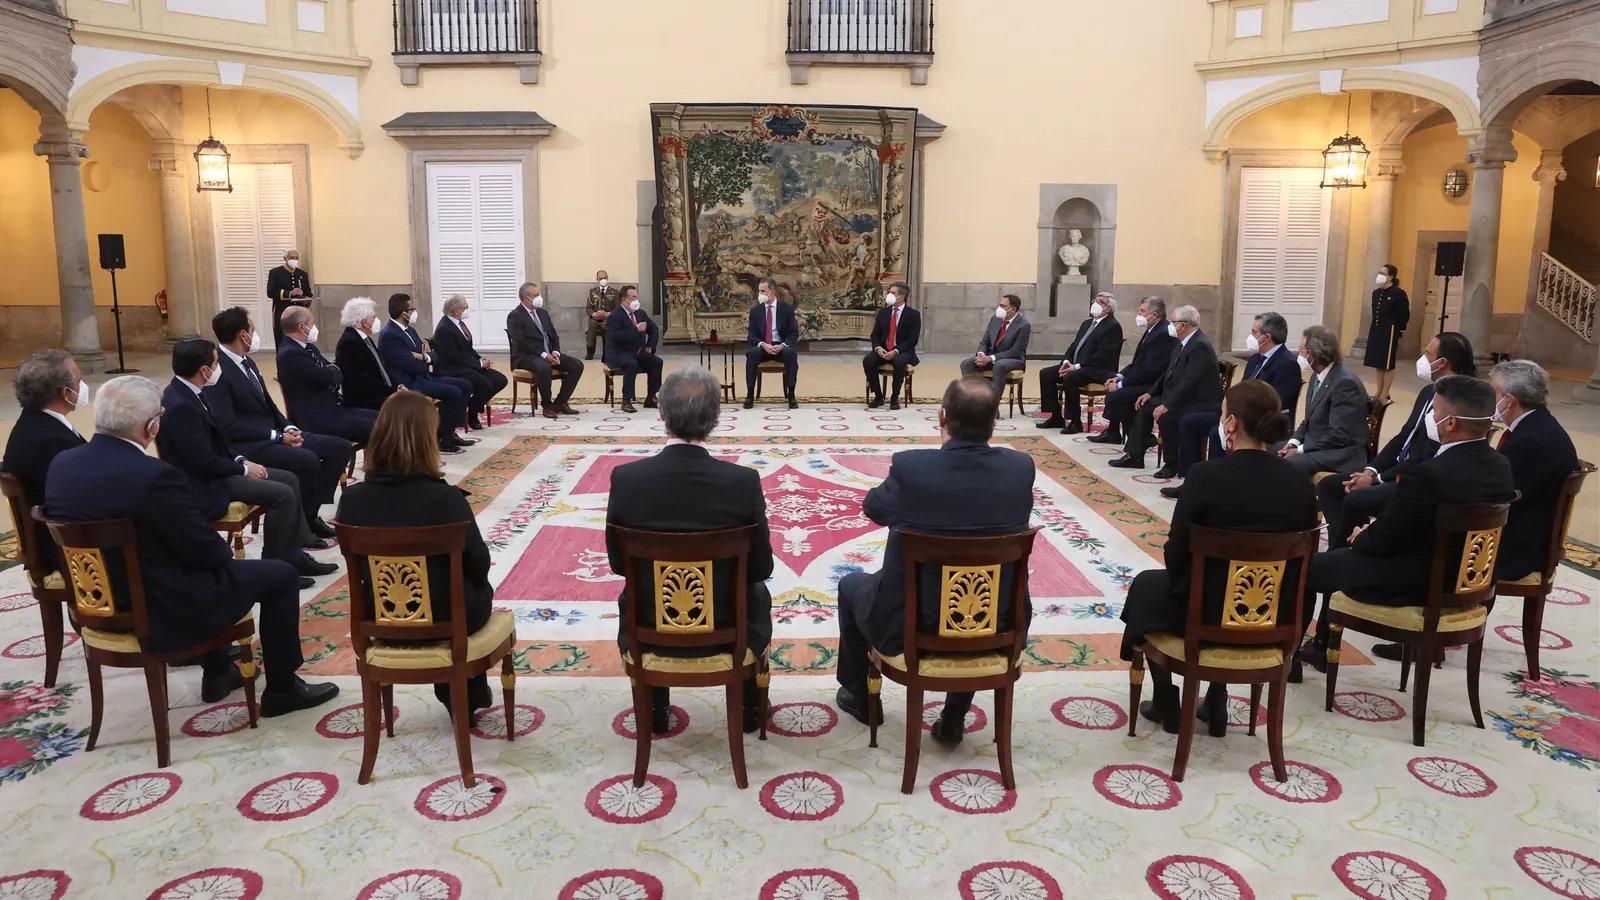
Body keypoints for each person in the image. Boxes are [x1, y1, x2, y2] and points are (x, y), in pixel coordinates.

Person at [45, 375, 340, 714]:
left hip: (94, 604)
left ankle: (219, 671)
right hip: (159, 609)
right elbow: (206, 551)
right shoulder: (155, 476)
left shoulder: (62, 463)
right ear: (152, 427)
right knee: (280, 576)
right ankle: (283, 690)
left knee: (178, 564)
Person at [835, 377, 1037, 744]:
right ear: (995, 422)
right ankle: (954, 716)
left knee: (851, 585)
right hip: (995, 623)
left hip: (909, 629)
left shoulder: (913, 469)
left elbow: (874, 508)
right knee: (976, 584)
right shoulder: (1020, 468)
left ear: (941, 417)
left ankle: (861, 699)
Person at [1120, 380, 1317, 734]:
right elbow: (1305, 563)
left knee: (1146, 587)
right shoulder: (1300, 481)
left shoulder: (1205, 476)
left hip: (1204, 614)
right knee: (1217, 580)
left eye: (1223, 413)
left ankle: (1166, 700)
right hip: (1275, 614)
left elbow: (1176, 556)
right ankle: (1216, 698)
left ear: (1232, 423)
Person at [1299, 375, 1516, 672]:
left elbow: (1385, 540)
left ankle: (1297, 656)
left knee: (1305, 567)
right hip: (1465, 582)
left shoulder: (1427, 475)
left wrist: (1361, 536)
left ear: (1451, 423)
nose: (1431, 418)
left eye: (1435, 411)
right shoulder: (1501, 466)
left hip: (1413, 583)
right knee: (1339, 556)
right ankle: (1320, 644)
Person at [605, 367, 773, 734]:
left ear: (661, 413)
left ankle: (655, 710)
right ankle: (748, 708)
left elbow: (618, 564)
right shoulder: (742, 482)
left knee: (642, 587)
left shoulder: (628, 479)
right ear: (717, 416)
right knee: (757, 592)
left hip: (649, 626)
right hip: (730, 629)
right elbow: (761, 568)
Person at [336, 391, 497, 718]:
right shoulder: (447, 499)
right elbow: (479, 564)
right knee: (473, 590)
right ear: (427, 440)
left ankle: (463, 692)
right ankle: (465, 689)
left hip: (380, 616)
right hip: (450, 618)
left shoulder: (351, 500)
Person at [159, 339, 336, 587]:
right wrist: (244, 469)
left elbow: (217, 443)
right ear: (204, 370)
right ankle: (276, 566)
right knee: (282, 494)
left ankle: (293, 555)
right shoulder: (180, 405)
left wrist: (241, 459)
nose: (219, 367)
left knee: (289, 478)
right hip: (204, 483)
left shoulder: (191, 391)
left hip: (218, 468)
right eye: (216, 362)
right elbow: (202, 462)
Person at [1317, 332, 1475, 550]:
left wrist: (1378, 479)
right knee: (1329, 486)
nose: (1422, 358)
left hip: (1415, 480)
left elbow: (1427, 455)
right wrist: (1371, 471)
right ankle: (1345, 546)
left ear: (1442, 363)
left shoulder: (1457, 402)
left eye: (1428, 354)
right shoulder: (1428, 391)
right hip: (1394, 471)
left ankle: (1354, 551)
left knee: (1356, 498)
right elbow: (1403, 436)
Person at [207, 307, 351, 538]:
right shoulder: (218, 370)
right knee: (307, 460)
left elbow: (269, 404)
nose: (255, 335)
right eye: (253, 329)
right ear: (243, 334)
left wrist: (288, 427)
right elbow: (228, 425)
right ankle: (304, 524)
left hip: (274, 434)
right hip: (249, 444)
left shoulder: (247, 362)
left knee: (339, 447)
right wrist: (277, 436)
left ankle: (309, 512)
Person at [1162, 311, 1302, 500]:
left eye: (1254, 332)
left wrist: (1233, 417)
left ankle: (1217, 485)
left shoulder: (1287, 363)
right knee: (1189, 422)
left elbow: (1274, 401)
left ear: (1267, 337)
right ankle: (1190, 480)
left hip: (1260, 420)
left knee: (1216, 432)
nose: (1251, 336)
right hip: (1237, 414)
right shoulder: (1256, 359)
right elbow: (1241, 389)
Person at [1491, 359, 1581, 581]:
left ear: (1509, 400)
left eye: (1493, 392)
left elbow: (1498, 498)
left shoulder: (1531, 441)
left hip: (1517, 550)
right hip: (1526, 531)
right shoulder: (1538, 424)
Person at [2, 350, 88, 572]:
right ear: (66, 393)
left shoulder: (33, 423)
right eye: (79, 380)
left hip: (51, 538)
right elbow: (86, 498)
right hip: (65, 551)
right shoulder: (52, 442)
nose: (83, 386)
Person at [1111, 305, 1220, 478]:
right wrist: (1150, 393)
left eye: (1172, 321)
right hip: (1181, 397)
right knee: (1145, 405)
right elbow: (1167, 373)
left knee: (1166, 415)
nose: (1170, 325)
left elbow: (1189, 382)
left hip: (1198, 402)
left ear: (1183, 325)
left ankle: (1171, 464)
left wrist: (1166, 405)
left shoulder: (1200, 346)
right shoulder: (1182, 342)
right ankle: (1135, 455)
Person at [379, 294, 477, 455]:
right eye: (412, 309)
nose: (414, 312)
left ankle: (449, 431)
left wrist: (423, 357)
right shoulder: (390, 334)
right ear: (404, 314)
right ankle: (442, 438)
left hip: (423, 375)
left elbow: (434, 355)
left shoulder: (410, 330)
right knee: (453, 392)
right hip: (410, 381)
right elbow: (409, 364)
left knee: (465, 385)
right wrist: (424, 360)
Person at [277, 306, 379, 445]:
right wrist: (332, 371)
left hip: (336, 408)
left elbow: (334, 370)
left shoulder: (308, 347)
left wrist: (332, 371)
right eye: (312, 323)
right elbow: (329, 377)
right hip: (320, 418)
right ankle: (383, 458)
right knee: (381, 429)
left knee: (385, 418)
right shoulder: (290, 354)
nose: (314, 327)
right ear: (301, 327)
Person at [1280, 325, 1369, 478]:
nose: (1299, 354)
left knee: (1288, 464)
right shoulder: (1317, 375)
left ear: (1314, 354)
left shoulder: (1345, 383)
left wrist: (1300, 450)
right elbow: (1308, 421)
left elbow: (1339, 434)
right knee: (1269, 450)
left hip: (1339, 454)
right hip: (1318, 445)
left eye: (1302, 350)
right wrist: (1293, 443)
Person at [1089, 297, 1179, 447]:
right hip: (1144, 379)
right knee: (1117, 394)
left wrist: (1121, 385)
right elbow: (1137, 363)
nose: (1139, 314)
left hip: (1154, 384)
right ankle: (1133, 437)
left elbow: (1150, 370)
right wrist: (1119, 377)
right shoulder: (1152, 330)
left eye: (1142, 311)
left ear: (1154, 315)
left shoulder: (1162, 334)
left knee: (1116, 397)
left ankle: (1140, 438)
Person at [1036, 292, 1124, 433]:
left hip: (1098, 369)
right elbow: (1074, 345)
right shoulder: (1087, 323)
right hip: (1078, 366)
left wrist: (1076, 367)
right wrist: (1066, 361)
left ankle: (1075, 421)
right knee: (1046, 374)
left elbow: (1103, 355)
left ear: (1108, 308)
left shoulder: (1112, 326)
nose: (1095, 304)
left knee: (1070, 377)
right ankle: (1056, 416)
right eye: (1095, 300)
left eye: (1100, 302)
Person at [507, 282, 584, 419]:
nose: (539, 298)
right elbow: (521, 343)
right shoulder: (515, 316)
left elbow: (553, 335)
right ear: (526, 298)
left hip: (549, 353)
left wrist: (555, 352)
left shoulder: (542, 313)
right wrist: (543, 355)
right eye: (536, 295)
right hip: (527, 356)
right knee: (544, 368)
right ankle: (547, 406)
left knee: (577, 365)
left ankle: (560, 402)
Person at [432, 294, 508, 430]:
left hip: (467, 365)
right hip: (453, 368)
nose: (468, 309)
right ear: (457, 311)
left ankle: (472, 407)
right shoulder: (444, 328)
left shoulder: (458, 323)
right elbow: (454, 357)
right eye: (465, 307)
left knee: (500, 380)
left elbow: (467, 348)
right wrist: (479, 365)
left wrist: (480, 359)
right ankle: (472, 414)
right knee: (485, 384)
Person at [334, 297, 401, 413]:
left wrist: (397, 387)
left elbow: (380, 369)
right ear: (365, 322)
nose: (376, 320)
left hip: (379, 393)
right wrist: (393, 391)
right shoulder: (350, 342)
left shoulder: (363, 338)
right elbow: (362, 382)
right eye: (374, 317)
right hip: (366, 401)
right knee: (410, 408)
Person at [603, 285, 664, 414]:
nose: (636, 300)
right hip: (617, 353)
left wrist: (650, 346)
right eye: (633, 298)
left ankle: (651, 397)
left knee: (656, 362)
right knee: (631, 364)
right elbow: (616, 337)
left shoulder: (640, 313)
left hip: (636, 352)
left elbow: (653, 329)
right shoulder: (615, 315)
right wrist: (636, 330)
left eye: (637, 297)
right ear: (624, 300)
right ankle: (626, 401)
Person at [959, 293, 1031, 398]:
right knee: (966, 364)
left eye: (1003, 306)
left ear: (1013, 309)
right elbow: (985, 342)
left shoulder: (1024, 325)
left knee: (999, 365)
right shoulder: (995, 319)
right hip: (990, 356)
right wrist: (981, 354)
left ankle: (994, 402)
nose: (999, 308)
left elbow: (1016, 351)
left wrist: (991, 358)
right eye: (999, 305)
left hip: (1013, 359)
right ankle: (972, 398)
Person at [745, 278, 801, 410]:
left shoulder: (787, 309)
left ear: (772, 293)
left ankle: (791, 394)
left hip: (780, 346)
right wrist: (763, 345)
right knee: (752, 353)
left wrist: (782, 345)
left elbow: (793, 333)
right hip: (763, 347)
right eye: (759, 291)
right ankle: (750, 395)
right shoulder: (755, 311)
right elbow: (751, 336)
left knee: (790, 353)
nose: (760, 294)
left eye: (763, 291)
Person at [863, 281, 919, 410]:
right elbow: (875, 334)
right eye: (889, 292)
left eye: (893, 293)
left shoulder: (913, 315)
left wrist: (896, 351)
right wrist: (878, 348)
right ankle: (878, 396)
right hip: (884, 349)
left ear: (901, 296)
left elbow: (913, 339)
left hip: (902, 350)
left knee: (899, 362)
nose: (889, 295)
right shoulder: (883, 313)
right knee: (868, 360)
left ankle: (895, 397)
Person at [1364, 264, 1410, 406]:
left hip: (1390, 330)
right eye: (1379, 272)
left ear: (1390, 276)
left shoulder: (1398, 293)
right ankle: (1379, 390)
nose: (1379, 275)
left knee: (1388, 363)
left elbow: (1404, 313)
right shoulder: (1376, 293)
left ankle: (1385, 393)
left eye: (1383, 273)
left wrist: (1401, 329)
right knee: (1378, 362)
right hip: (1377, 329)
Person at [265, 249, 313, 349]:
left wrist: (306, 301)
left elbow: (308, 294)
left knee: (300, 338)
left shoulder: (302, 274)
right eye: (292, 257)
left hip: (299, 313)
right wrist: (290, 293)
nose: (294, 260)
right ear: (285, 258)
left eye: (296, 258)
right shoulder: (275, 273)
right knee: (282, 339)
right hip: (282, 311)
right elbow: (271, 292)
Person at [586, 270, 617, 360]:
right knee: (592, 323)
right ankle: (590, 351)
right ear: (597, 279)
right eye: (600, 278)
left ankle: (606, 353)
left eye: (604, 278)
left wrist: (608, 314)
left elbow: (617, 308)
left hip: (608, 318)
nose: (603, 280)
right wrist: (593, 314)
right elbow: (588, 308)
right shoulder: (592, 292)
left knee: (607, 325)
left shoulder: (614, 292)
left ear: (607, 278)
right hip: (595, 318)